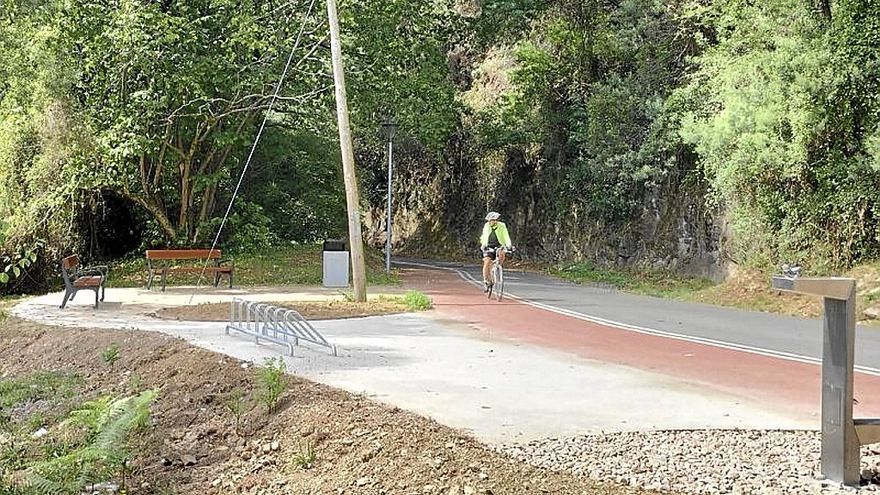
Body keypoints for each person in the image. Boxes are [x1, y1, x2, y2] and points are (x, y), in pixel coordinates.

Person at [479, 211, 514, 292]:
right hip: (488, 246)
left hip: (499, 245)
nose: (492, 222)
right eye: (490, 220)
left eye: (494, 220)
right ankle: (486, 281)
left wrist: (509, 245)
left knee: (502, 253)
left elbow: (506, 236)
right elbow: (484, 236)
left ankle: (498, 267)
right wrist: (483, 245)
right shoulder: (486, 226)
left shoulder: (502, 226)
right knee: (487, 262)